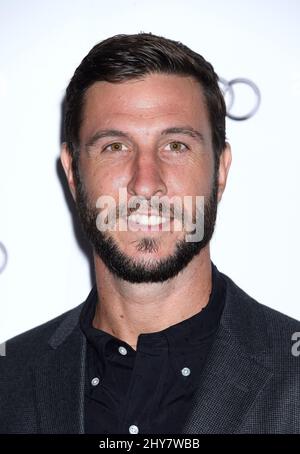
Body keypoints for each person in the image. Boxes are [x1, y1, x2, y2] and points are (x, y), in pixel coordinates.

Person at [1, 32, 299, 435]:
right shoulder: (10, 379)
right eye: (114, 147)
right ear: (73, 174)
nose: (145, 184)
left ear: (221, 171)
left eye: (175, 146)